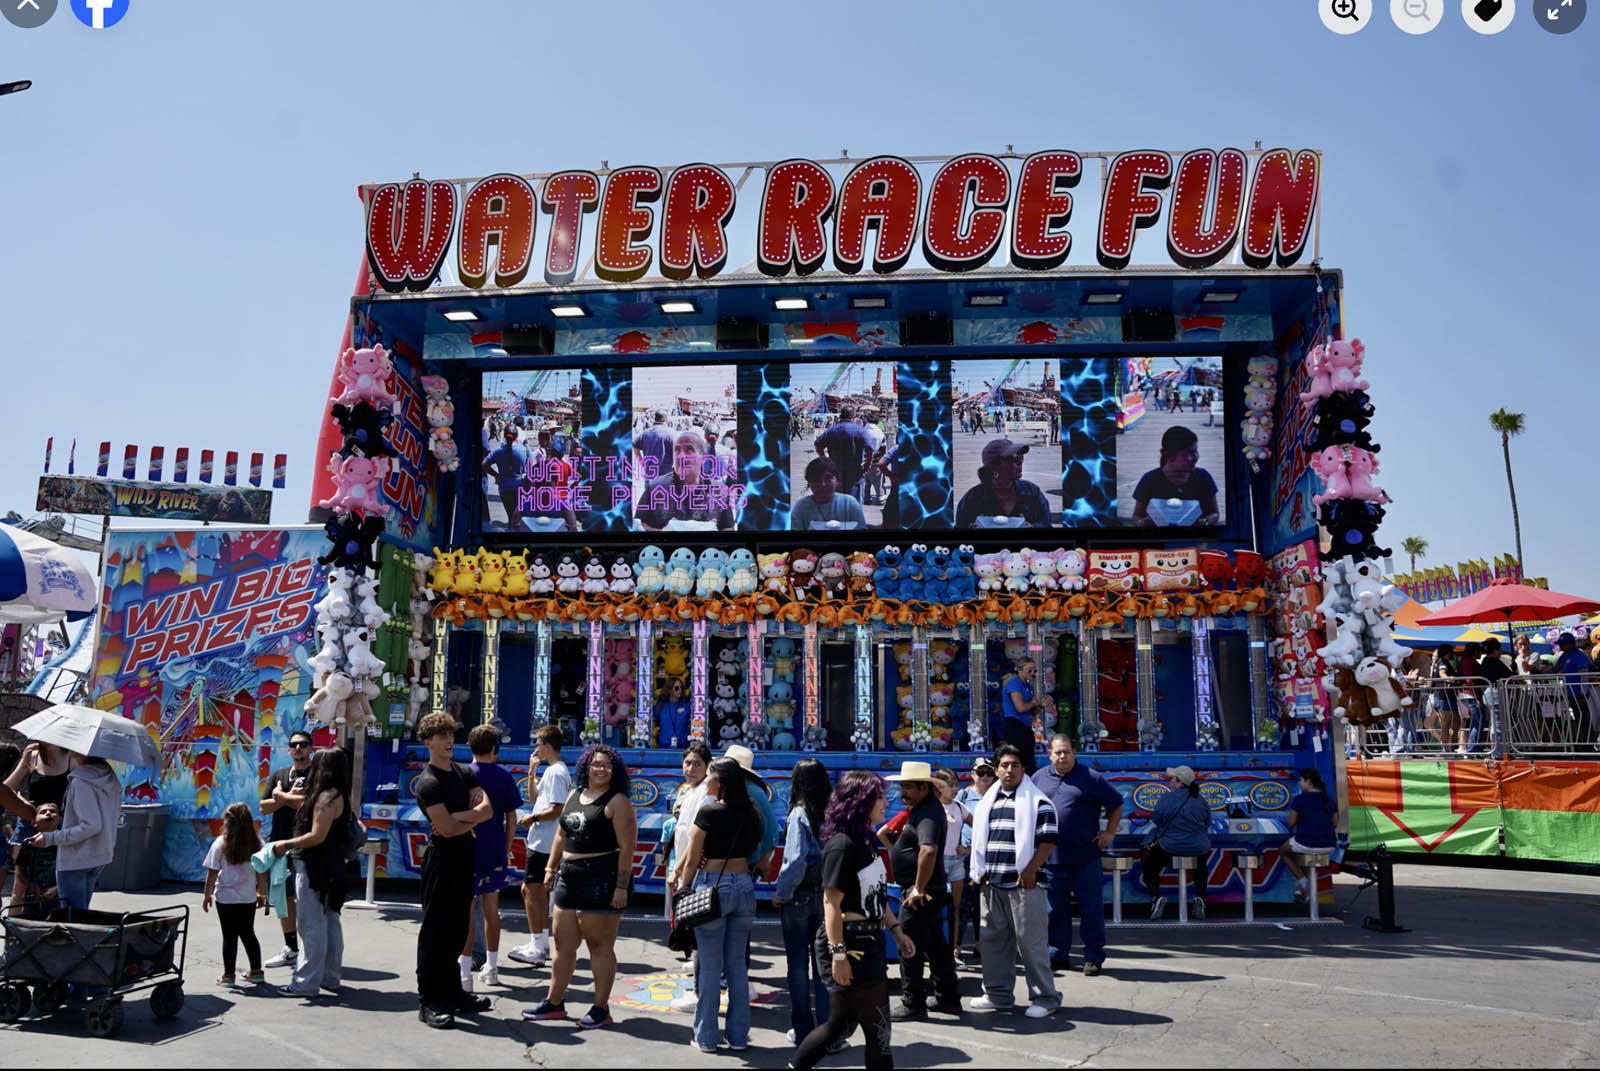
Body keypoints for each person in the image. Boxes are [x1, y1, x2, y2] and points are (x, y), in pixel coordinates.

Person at [791, 770, 916, 1071]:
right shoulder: (842, 844)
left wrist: (896, 930)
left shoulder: (866, 841)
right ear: (861, 802)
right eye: (880, 797)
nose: (887, 803)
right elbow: (830, 902)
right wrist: (838, 954)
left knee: (838, 1025)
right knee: (879, 1031)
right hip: (851, 942)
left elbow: (874, 895)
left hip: (865, 938)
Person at [523, 744, 637, 1030]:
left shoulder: (618, 801)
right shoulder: (575, 794)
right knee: (563, 944)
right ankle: (554, 1003)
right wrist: (550, 868)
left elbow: (627, 848)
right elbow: (561, 835)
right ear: (586, 766)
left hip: (602, 875)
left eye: (607, 766)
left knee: (599, 946)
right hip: (569, 874)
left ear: (615, 771)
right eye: (596, 764)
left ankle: (601, 1008)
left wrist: (621, 887)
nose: (601, 769)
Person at [674, 756, 762, 1053]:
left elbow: (691, 856)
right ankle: (738, 1036)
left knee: (710, 966)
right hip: (744, 886)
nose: (706, 780)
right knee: (737, 965)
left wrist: (683, 889)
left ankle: (706, 1037)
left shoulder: (709, 812)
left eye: (710, 775)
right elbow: (757, 851)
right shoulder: (751, 813)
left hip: (713, 885)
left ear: (720, 781)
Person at [411, 714, 494, 1028]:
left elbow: (486, 811)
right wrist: (465, 819)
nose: (448, 741)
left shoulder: (463, 773)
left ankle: (454, 993)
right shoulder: (428, 783)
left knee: (459, 929)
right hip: (441, 860)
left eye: (450, 734)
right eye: (440, 735)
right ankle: (429, 1001)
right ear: (427, 742)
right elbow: (443, 829)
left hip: (464, 856)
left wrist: (460, 816)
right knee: (436, 932)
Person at [969, 743, 1060, 1018]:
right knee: (993, 943)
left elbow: (1048, 840)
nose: (1009, 770)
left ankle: (1046, 998)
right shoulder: (988, 801)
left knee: (1031, 944)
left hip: (1025, 884)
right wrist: (980, 871)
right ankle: (997, 995)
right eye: (1004, 765)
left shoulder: (1038, 802)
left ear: (1023, 770)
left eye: (1015, 766)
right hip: (992, 883)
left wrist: (1031, 869)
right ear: (996, 770)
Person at [1031, 735, 1124, 975]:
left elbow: (1116, 803)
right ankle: (1057, 954)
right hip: (1050, 859)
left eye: (1067, 752)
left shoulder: (1091, 777)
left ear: (1075, 752)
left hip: (1085, 858)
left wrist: (1110, 832)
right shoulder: (1038, 778)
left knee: (1090, 911)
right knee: (1055, 912)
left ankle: (1093, 956)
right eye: (1057, 752)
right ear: (1049, 753)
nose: (1062, 757)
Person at [270, 747, 356, 999]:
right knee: (330, 921)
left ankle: (305, 982)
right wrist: (282, 795)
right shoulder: (337, 794)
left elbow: (316, 836)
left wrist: (284, 844)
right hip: (334, 865)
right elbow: (307, 803)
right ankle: (330, 976)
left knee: (310, 925)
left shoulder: (326, 797)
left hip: (314, 866)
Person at [885, 761, 960, 1021]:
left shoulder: (927, 814)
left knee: (909, 944)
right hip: (929, 890)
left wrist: (917, 888)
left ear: (924, 788)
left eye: (908, 787)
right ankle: (948, 996)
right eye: (902, 786)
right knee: (936, 946)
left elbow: (928, 850)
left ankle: (913, 1002)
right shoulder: (921, 809)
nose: (903, 792)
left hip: (922, 893)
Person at [774, 758, 832, 1045]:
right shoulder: (830, 813)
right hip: (826, 895)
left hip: (799, 896)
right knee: (824, 966)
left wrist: (781, 892)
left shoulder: (799, 813)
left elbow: (795, 860)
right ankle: (828, 1032)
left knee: (798, 966)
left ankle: (803, 1031)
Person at [462, 725, 523, 990]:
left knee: (466, 908)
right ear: (494, 749)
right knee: (491, 909)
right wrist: (506, 845)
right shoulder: (504, 776)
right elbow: (512, 817)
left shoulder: (461, 774)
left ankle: (464, 971)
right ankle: (492, 965)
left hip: (466, 848)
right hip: (495, 848)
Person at [511, 725, 570, 968]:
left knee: (531, 890)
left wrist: (532, 819)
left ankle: (538, 945)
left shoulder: (557, 772)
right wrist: (532, 772)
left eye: (538, 744)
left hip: (545, 840)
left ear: (547, 745)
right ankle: (539, 942)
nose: (536, 748)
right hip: (541, 839)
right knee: (532, 890)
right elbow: (535, 799)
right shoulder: (552, 771)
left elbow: (558, 808)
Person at [30, 752, 120, 911]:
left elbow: (91, 825)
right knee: (81, 914)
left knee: (73, 918)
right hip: (100, 854)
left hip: (76, 857)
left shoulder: (81, 782)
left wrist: (51, 838)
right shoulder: (109, 777)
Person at [260, 729, 314, 969]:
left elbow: (306, 804)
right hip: (280, 846)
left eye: (303, 744)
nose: (299, 748)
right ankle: (291, 948)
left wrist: (280, 795)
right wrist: (284, 797)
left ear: (310, 748)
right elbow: (263, 807)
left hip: (307, 845)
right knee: (284, 898)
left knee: (306, 899)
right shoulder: (279, 774)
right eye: (294, 745)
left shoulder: (317, 774)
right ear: (289, 749)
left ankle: (310, 950)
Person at [665, 742, 713, 1011]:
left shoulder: (705, 793)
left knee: (701, 935)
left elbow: (696, 840)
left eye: (696, 763)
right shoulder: (691, 791)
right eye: (687, 763)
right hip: (689, 869)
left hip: (695, 873)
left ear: (706, 767)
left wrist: (680, 871)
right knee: (696, 936)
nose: (690, 768)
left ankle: (699, 995)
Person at [204, 801, 268, 987]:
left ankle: (228, 975)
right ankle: (256, 971)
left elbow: (212, 871)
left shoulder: (221, 843)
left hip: (225, 898)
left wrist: (206, 895)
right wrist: (261, 893)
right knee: (248, 933)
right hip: (247, 897)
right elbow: (261, 871)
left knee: (229, 936)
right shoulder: (258, 844)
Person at [1140, 765, 1212, 920]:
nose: (1169, 780)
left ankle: (1155, 898)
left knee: (1150, 865)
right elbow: (1207, 823)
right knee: (1200, 865)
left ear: (1179, 782)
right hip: (1198, 846)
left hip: (1170, 847)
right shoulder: (1201, 800)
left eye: (1172, 778)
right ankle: (1200, 898)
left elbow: (1157, 819)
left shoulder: (1167, 798)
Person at [5, 741, 69, 911]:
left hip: (57, 825)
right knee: (20, 885)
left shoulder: (72, 759)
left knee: (54, 881)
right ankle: (14, 930)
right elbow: (5, 790)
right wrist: (24, 763)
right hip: (29, 823)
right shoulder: (33, 756)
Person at [636, 431, 736, 531]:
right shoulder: (655, 487)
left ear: (703, 456)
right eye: (677, 450)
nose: (681, 456)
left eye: (689, 449)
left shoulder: (720, 491)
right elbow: (638, 525)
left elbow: (727, 527)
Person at [1131, 425, 1219, 527]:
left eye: (1195, 451)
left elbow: (1214, 513)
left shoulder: (1203, 477)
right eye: (1188, 454)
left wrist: (1204, 523)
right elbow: (1136, 516)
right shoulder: (1150, 479)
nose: (1195, 457)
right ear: (1169, 456)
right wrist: (1141, 523)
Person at [955, 438, 1051, 528]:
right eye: (1014, 458)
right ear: (993, 466)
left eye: (1021, 456)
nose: (1020, 461)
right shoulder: (973, 498)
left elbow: (1046, 523)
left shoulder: (1032, 492)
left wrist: (1034, 528)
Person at [954, 758, 996, 960]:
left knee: (985, 904)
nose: (985, 777)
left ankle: (981, 945)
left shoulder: (998, 795)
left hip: (990, 858)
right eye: (981, 772)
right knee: (962, 904)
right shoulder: (963, 795)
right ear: (973, 774)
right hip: (965, 858)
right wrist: (959, 848)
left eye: (989, 772)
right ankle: (958, 945)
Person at [1278, 768, 1337, 904]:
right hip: (1329, 845)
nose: (1299, 783)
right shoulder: (1328, 799)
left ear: (1308, 782)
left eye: (1301, 780)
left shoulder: (1300, 799)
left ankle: (1303, 881)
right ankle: (1301, 889)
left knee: (1283, 852)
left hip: (1306, 843)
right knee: (1304, 855)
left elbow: (1291, 822)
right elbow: (1335, 823)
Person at [932, 769, 971, 954]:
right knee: (935, 907)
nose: (956, 789)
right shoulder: (931, 806)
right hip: (936, 861)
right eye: (951, 785)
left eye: (957, 785)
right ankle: (934, 950)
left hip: (956, 861)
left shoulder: (959, 807)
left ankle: (954, 949)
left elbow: (980, 827)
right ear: (939, 787)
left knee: (956, 908)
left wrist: (967, 848)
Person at [814, 404, 873, 501]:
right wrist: (867, 465)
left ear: (841, 415)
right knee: (854, 505)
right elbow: (870, 449)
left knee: (837, 504)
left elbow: (818, 445)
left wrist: (825, 460)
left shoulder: (831, 431)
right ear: (853, 417)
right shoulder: (860, 430)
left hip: (836, 473)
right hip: (855, 473)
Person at [791, 457, 867, 531]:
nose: (823, 484)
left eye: (828, 478)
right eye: (817, 479)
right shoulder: (802, 507)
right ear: (809, 482)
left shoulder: (849, 503)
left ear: (837, 480)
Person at [481, 424, 530, 531]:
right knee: (520, 516)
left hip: (504, 487)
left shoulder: (498, 451)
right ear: (517, 436)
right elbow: (531, 468)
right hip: (520, 486)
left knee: (510, 514)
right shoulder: (524, 450)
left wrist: (496, 475)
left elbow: (484, 464)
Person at [999, 660, 1041, 774]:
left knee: (1029, 760)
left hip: (1025, 726)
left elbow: (1030, 712)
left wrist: (1041, 705)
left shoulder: (1027, 686)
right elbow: (1021, 708)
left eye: (1035, 671)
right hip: (1015, 725)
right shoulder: (1014, 683)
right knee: (1020, 759)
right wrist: (1034, 702)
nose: (1033, 673)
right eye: (1029, 670)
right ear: (1019, 670)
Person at [1555, 633, 1595, 747]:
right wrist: (1540, 672)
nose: (1561, 646)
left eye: (1563, 644)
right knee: (1579, 719)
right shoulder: (1564, 656)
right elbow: (1556, 668)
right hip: (1570, 693)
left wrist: (1583, 693)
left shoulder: (1579, 655)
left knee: (1584, 720)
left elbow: (1584, 674)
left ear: (1570, 644)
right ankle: (1585, 744)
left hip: (1579, 694)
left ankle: (1590, 746)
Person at [1478, 637, 1513, 751]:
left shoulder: (1485, 661)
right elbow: (1509, 675)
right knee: (1498, 724)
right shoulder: (1493, 661)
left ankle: (1499, 750)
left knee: (1496, 723)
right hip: (1495, 692)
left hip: (1490, 692)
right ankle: (1498, 752)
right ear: (1496, 650)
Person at [1427, 644, 1460, 748]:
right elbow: (1442, 672)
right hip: (1443, 697)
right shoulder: (1442, 662)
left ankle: (1452, 746)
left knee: (1455, 723)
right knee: (1446, 725)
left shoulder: (1441, 662)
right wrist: (1448, 678)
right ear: (1447, 652)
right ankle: (1447, 749)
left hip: (1449, 697)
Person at [1457, 642, 1486, 753]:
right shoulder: (1469, 662)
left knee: (1477, 721)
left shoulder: (1465, 661)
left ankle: (1476, 747)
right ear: (1475, 651)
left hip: (1468, 694)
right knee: (1478, 721)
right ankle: (1473, 748)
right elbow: (1471, 681)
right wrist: (1478, 698)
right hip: (1471, 694)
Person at [634, 410, 675, 477]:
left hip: (650, 474)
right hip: (666, 475)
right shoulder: (671, 433)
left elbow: (635, 447)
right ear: (666, 419)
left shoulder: (645, 433)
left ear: (655, 418)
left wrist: (642, 463)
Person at [657, 677, 693, 749]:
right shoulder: (661, 706)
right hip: (663, 748)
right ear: (669, 690)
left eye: (681, 688)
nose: (680, 690)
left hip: (683, 747)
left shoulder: (687, 705)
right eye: (676, 688)